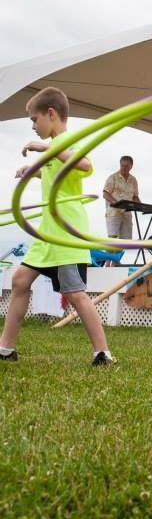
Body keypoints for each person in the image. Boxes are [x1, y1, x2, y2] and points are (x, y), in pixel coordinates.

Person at [0, 87, 117, 367]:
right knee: (19, 281)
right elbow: (56, 174)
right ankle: (5, 348)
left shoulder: (68, 141)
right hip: (47, 232)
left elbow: (85, 166)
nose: (32, 125)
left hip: (66, 231)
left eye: (34, 118)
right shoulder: (56, 147)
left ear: (51, 114)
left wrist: (46, 148)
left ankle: (102, 353)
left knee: (74, 293)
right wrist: (34, 172)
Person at [103, 156, 140, 239]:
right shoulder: (113, 177)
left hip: (127, 214)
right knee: (113, 240)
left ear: (131, 166)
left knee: (125, 241)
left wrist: (141, 206)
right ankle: (110, 252)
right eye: (122, 165)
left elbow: (135, 197)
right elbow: (105, 194)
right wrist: (117, 203)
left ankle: (120, 252)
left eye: (126, 166)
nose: (123, 168)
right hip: (114, 213)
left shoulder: (133, 180)